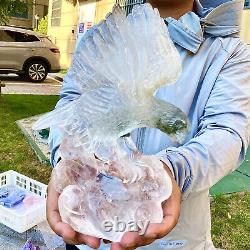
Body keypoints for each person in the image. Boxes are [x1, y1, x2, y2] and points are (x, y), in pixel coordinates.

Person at [47, 0, 250, 249]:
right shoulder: (99, 38)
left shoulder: (229, 51)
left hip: (174, 238)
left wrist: (172, 170)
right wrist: (68, 163)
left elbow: (227, 132)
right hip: (89, 231)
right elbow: (70, 108)